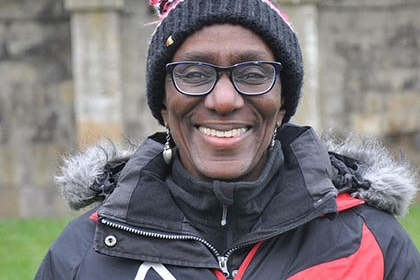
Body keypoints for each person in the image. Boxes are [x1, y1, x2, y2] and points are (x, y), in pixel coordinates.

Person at [35, 0, 420, 279]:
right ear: (163, 105)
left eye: (253, 73)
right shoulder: (84, 254)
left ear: (283, 103)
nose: (223, 101)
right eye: (194, 73)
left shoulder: (373, 245)